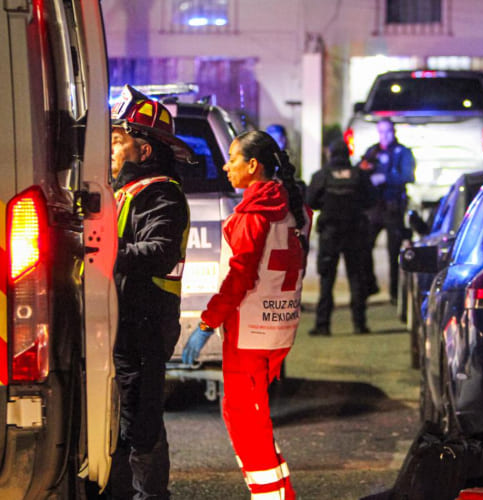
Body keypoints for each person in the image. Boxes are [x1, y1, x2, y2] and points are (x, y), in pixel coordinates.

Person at [181, 130, 311, 500]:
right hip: (279, 327)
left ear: (253, 166)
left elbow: (240, 277)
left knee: (243, 417)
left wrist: (207, 323)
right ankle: (279, 491)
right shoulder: (294, 206)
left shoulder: (254, 214)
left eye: (233, 159)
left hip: (248, 330)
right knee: (256, 415)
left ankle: (270, 496)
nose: (226, 166)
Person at [107, 85, 193, 500]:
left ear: (143, 150)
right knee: (124, 417)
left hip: (144, 322)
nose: (111, 149)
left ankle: (151, 495)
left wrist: (101, 252)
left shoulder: (161, 193)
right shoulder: (125, 191)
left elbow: (157, 252)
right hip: (125, 321)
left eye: (118, 141)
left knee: (141, 422)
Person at [306, 138, 377, 335]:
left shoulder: (322, 175)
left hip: (330, 233)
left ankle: (323, 324)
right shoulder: (358, 175)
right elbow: (371, 199)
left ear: (330, 154)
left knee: (327, 279)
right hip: (355, 232)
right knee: (356, 277)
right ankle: (359, 324)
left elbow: (310, 201)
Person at [359, 117, 415, 305]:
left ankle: (394, 294)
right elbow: (362, 170)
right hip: (374, 208)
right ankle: (369, 286)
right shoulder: (372, 151)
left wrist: (386, 178)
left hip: (393, 207)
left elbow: (407, 176)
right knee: (364, 247)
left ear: (394, 132)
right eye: (381, 132)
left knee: (393, 253)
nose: (384, 136)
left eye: (388, 132)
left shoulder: (403, 152)